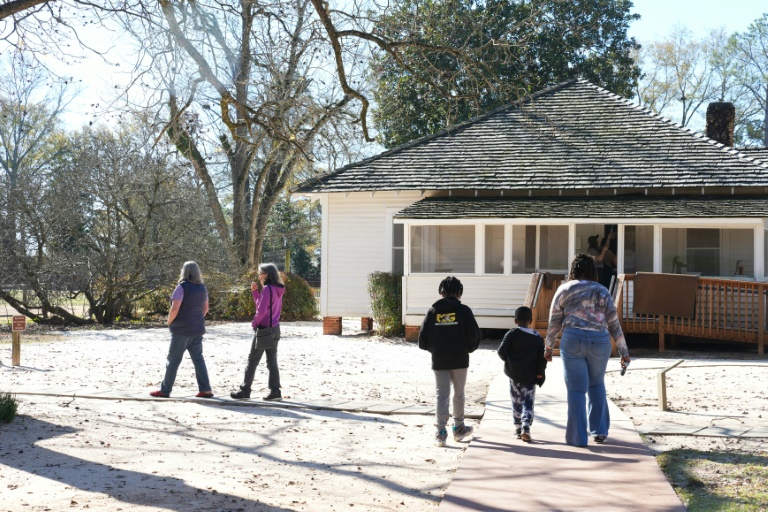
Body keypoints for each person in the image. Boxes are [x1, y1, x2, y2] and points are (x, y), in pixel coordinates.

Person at [545, 253, 631, 447]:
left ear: (573, 271)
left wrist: (548, 347)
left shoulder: (564, 290)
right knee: (597, 384)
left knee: (576, 390)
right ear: (593, 271)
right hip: (599, 340)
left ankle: (577, 438)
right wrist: (624, 351)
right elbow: (613, 324)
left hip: (572, 339)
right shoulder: (602, 291)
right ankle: (599, 431)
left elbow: (554, 323)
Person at [418, 276, 481, 447]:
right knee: (459, 394)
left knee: (442, 395)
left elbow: (422, 340)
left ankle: (441, 433)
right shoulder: (464, 311)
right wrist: (466, 348)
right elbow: (474, 336)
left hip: (439, 360)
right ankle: (459, 428)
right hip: (460, 359)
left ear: (441, 292)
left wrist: (436, 349)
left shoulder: (433, 311)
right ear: (459, 292)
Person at [150, 261, 214, 398]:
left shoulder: (181, 287)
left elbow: (175, 308)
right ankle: (206, 389)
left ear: (184, 271)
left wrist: (169, 321)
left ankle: (165, 390)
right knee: (198, 360)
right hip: (197, 330)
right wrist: (196, 319)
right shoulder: (202, 288)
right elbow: (206, 308)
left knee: (173, 360)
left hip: (181, 331)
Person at [231, 263, 286, 401]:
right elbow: (261, 305)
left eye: (260, 273)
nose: (259, 275)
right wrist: (255, 292)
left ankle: (245, 390)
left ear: (267, 274)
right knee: (272, 361)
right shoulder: (278, 288)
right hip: (275, 328)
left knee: (252, 360)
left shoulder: (267, 289)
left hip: (264, 329)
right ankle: (275, 392)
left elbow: (261, 311)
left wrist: (254, 323)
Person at [497, 306, 547, 442]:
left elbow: (501, 351)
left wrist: (510, 363)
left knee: (516, 401)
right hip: (530, 377)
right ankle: (526, 427)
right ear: (531, 321)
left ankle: (518, 428)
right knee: (528, 402)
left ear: (515, 321)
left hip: (514, 375)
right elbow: (542, 358)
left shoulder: (511, 334)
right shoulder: (537, 337)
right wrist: (540, 373)